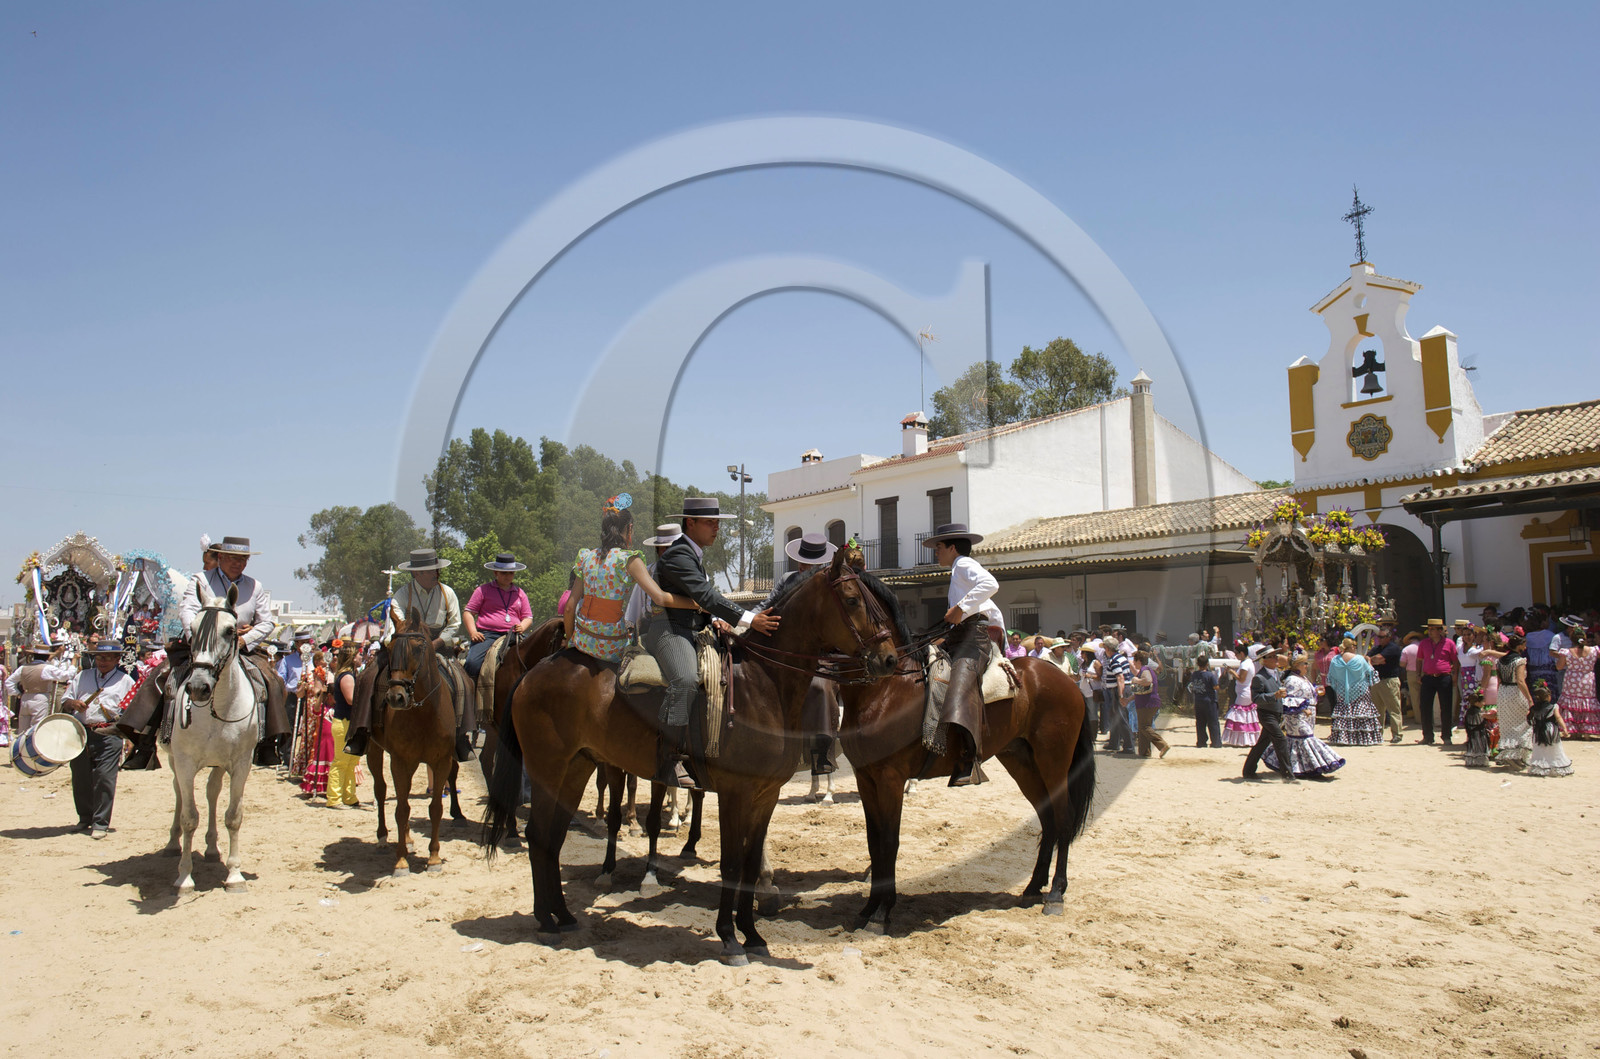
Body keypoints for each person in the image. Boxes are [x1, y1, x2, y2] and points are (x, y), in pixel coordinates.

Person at [646, 497, 779, 788]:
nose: (716, 528)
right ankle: (668, 759)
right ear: (690, 523)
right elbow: (706, 598)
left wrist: (716, 620)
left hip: (695, 630)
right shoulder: (678, 555)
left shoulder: (694, 554)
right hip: (671, 631)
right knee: (685, 679)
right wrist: (749, 620)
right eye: (710, 522)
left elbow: (703, 604)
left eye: (718, 522)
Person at [175, 536, 290, 760]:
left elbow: (267, 622)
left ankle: (268, 743)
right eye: (232, 558)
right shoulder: (201, 580)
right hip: (202, 646)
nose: (238, 563)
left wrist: (246, 639)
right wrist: (196, 637)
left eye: (243, 559)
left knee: (272, 681)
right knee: (163, 676)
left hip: (241, 647)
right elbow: (187, 610)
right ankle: (145, 738)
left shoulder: (254, 586)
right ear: (220, 557)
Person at [344, 548, 466, 759]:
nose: (435, 574)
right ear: (416, 574)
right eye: (430, 571)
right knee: (368, 676)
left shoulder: (448, 593)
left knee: (463, 680)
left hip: (438, 644)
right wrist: (400, 643)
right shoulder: (401, 595)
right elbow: (394, 625)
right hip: (404, 643)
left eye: (436, 570)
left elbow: (454, 625)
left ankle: (461, 736)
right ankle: (361, 733)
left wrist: (434, 643)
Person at [751, 531, 841, 776]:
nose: (804, 566)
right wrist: (747, 619)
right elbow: (768, 605)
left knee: (820, 687)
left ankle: (822, 751)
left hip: (816, 654)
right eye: (802, 561)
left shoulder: (830, 586)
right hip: (783, 652)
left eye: (809, 563)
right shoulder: (788, 579)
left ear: (820, 563)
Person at [566, 494, 694, 664]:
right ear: (630, 528)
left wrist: (571, 640)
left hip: (582, 639)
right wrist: (696, 604)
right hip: (612, 645)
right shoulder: (629, 560)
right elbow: (660, 598)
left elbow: (569, 608)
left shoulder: (586, 556)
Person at [923, 522, 1004, 785]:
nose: (936, 553)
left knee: (959, 686)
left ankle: (970, 759)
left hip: (974, 639)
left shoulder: (963, 564)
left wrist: (961, 607)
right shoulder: (957, 570)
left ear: (952, 548)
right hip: (960, 636)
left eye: (939, 548)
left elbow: (990, 583)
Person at [61, 640, 135, 838]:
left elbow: (130, 712)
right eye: (100, 657)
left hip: (109, 734)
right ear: (94, 658)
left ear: (118, 659)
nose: (103, 661)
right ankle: (85, 818)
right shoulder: (82, 677)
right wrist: (73, 703)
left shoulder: (125, 681)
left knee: (104, 777)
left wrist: (129, 737)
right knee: (80, 776)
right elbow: (65, 701)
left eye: (109, 658)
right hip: (81, 732)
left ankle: (100, 823)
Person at [1262, 653, 1344, 779]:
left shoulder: (1303, 678)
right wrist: (1303, 709)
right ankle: (1313, 769)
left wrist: (1316, 692)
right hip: (1297, 716)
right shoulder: (1292, 680)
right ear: (1297, 665)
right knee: (1305, 739)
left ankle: (1301, 769)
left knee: (1302, 740)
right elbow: (1289, 699)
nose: (1307, 665)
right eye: (1304, 663)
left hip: (1308, 715)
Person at [462, 552, 533, 680]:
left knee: (536, 659)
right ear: (496, 573)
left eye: (511, 573)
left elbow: (528, 617)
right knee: (473, 663)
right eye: (504, 573)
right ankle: (470, 694)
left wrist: (522, 626)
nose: (508, 576)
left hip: (513, 635)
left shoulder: (520, 593)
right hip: (487, 635)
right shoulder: (482, 590)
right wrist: (473, 632)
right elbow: (468, 612)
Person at [1240, 650, 1298, 783]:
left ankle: (1248, 770)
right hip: (1266, 714)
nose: (1275, 659)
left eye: (1275, 656)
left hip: (1276, 713)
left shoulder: (1277, 673)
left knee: (1262, 743)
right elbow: (1256, 698)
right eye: (1272, 657)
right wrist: (1274, 696)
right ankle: (1287, 775)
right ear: (1264, 660)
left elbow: (1288, 668)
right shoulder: (1259, 678)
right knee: (1280, 740)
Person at [324, 644, 362, 808]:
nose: (361, 657)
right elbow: (351, 700)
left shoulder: (349, 674)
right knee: (341, 762)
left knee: (351, 761)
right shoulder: (346, 676)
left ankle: (349, 795)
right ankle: (334, 797)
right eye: (359, 655)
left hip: (348, 722)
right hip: (344, 721)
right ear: (353, 658)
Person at [1326, 637, 1382, 746]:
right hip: (1360, 689)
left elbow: (1331, 677)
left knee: (1345, 711)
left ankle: (1345, 738)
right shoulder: (1360, 659)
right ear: (1351, 647)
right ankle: (1363, 738)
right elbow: (1370, 673)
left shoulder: (1336, 660)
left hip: (1342, 690)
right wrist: (1369, 661)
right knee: (1361, 712)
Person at [6, 645, 74, 735]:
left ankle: (21, 747)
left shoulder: (23, 667)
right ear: (46, 657)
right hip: (40, 697)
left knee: (23, 730)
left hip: (25, 697)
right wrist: (73, 664)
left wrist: (18, 694)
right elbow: (66, 676)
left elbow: (9, 682)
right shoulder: (47, 668)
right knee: (36, 729)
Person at [1489, 632, 1533, 770]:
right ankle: (1517, 756)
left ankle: (1511, 755)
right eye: (1523, 645)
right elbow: (1520, 680)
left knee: (1507, 726)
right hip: (1515, 692)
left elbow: (1500, 680)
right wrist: (1530, 699)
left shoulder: (1500, 661)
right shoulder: (1519, 661)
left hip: (1503, 692)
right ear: (1519, 646)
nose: (1525, 648)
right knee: (1524, 724)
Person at [1415, 618, 1458, 745]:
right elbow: (1419, 659)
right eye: (1429, 629)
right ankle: (1428, 736)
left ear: (1440, 630)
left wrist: (1454, 674)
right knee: (1425, 706)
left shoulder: (1449, 643)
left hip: (1444, 676)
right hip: (1428, 677)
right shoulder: (1424, 643)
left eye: (1432, 629)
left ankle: (1446, 736)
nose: (1430, 631)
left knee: (1446, 706)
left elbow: (1455, 660)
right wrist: (1418, 674)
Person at [298, 654, 333, 797]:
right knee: (312, 740)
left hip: (327, 708)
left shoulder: (330, 673)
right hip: (314, 707)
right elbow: (305, 693)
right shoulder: (311, 674)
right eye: (324, 658)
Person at [1555, 629, 1598, 738]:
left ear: (1572, 639)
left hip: (1572, 680)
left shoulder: (1566, 652)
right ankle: (1586, 731)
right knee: (1587, 702)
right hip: (1588, 679)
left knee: (1571, 702)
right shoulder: (1594, 650)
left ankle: (1572, 730)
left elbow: (1559, 667)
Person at [1366, 622, 1405, 743]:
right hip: (1377, 681)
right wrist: (1373, 660)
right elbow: (1366, 658)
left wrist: (1373, 660)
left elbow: (1377, 658)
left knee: (1393, 708)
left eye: (1382, 637)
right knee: (1377, 710)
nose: (1379, 639)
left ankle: (1397, 734)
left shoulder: (1392, 648)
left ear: (1389, 637)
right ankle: (1378, 734)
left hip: (1389, 681)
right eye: (1378, 637)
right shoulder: (1377, 648)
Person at [1525, 681, 1572, 777]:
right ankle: (1555, 766)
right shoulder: (1553, 707)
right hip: (1551, 730)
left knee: (1540, 749)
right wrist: (1565, 729)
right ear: (1548, 696)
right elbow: (1558, 718)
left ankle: (1540, 767)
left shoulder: (1534, 708)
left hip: (1539, 731)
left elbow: (1529, 718)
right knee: (1554, 749)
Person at [1128, 650, 1169, 758]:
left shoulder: (1145, 670)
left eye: (1134, 660)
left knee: (1144, 727)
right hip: (1147, 703)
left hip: (1147, 704)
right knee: (1144, 728)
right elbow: (1140, 690)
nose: (1133, 663)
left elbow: (1147, 681)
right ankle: (1144, 752)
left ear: (1138, 661)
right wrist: (1128, 700)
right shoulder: (1146, 670)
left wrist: (1136, 680)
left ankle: (1162, 745)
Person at [1101, 633, 1135, 753]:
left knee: (1120, 717)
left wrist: (1120, 695)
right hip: (1121, 688)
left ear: (1108, 649)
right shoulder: (1121, 658)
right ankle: (1114, 743)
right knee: (1115, 716)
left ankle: (1129, 746)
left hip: (1118, 689)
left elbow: (1120, 678)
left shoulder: (1114, 660)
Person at [1221, 646, 1260, 748]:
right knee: (1246, 716)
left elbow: (1241, 679)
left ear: (1242, 653)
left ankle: (1242, 739)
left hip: (1244, 692)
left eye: (1236, 653)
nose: (1235, 655)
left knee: (1240, 715)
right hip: (1245, 691)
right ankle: (1247, 738)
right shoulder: (1249, 663)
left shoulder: (1245, 664)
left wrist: (1231, 672)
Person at [1188, 652, 1222, 748]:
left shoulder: (1194, 674)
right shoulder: (1210, 675)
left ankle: (1201, 741)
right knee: (1213, 722)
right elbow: (1216, 687)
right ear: (1207, 664)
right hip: (1209, 701)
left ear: (1198, 664)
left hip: (1198, 701)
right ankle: (1216, 742)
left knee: (1200, 723)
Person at [1462, 690, 1491, 768]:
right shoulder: (1478, 712)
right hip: (1479, 733)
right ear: (1477, 703)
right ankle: (1481, 762)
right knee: (1480, 747)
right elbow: (1485, 717)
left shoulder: (1468, 711)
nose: (1484, 703)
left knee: (1473, 747)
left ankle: (1472, 762)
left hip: (1471, 734)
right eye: (1482, 702)